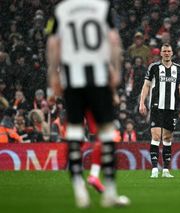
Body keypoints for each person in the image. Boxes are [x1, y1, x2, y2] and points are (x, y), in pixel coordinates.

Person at [47, 0, 129, 208]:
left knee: (74, 133)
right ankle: (109, 192)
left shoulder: (62, 9)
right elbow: (113, 39)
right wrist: (116, 70)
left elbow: (54, 43)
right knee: (107, 133)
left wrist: (53, 75)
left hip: (72, 80)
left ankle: (79, 191)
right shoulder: (102, 6)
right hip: (98, 78)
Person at [139, 43, 180, 178]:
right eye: (164, 51)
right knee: (155, 136)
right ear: (161, 53)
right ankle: (154, 168)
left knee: (167, 138)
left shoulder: (179, 69)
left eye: (168, 51)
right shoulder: (154, 67)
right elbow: (146, 85)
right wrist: (142, 102)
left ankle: (166, 170)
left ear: (172, 53)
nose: (166, 53)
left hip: (171, 108)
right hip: (156, 106)